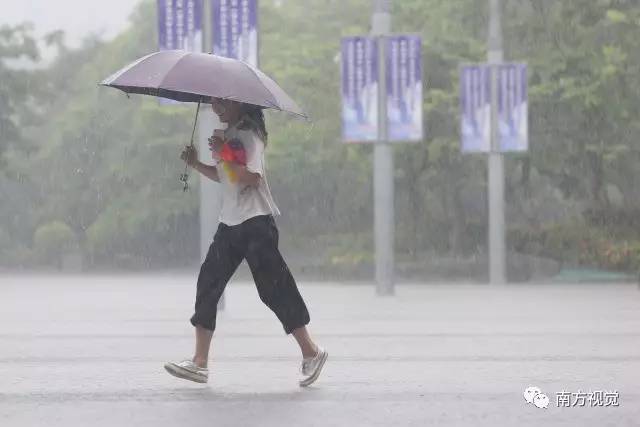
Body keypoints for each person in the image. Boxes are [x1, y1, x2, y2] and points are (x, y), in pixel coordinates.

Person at [165, 98, 327, 387]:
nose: (217, 106)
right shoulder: (227, 136)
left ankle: (311, 352)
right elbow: (227, 177)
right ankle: (199, 363)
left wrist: (223, 152)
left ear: (241, 103)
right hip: (230, 222)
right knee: (208, 282)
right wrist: (198, 163)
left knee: (274, 290)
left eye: (223, 101)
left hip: (256, 222)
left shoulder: (250, 136)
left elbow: (252, 177)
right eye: (214, 101)